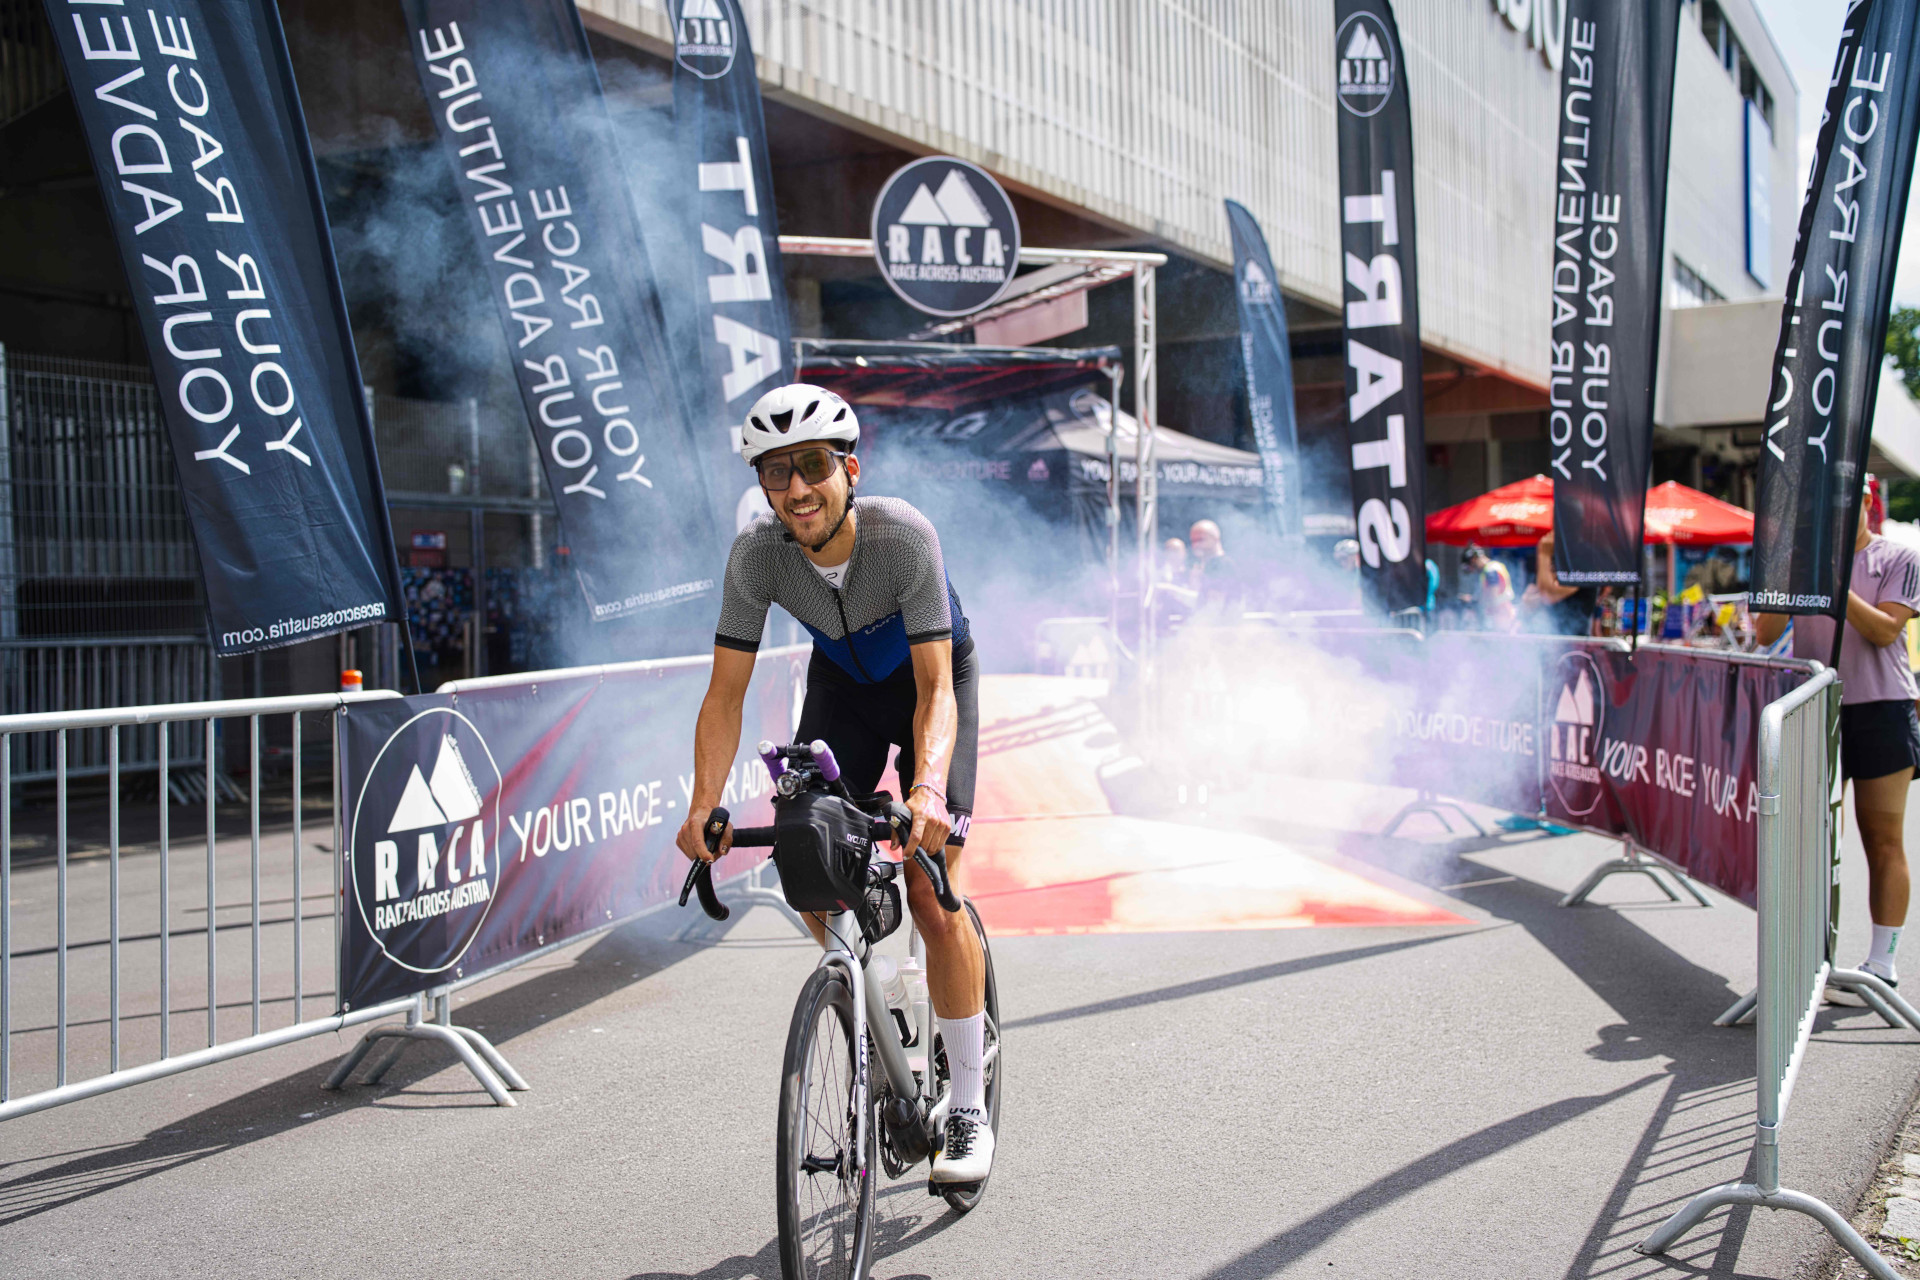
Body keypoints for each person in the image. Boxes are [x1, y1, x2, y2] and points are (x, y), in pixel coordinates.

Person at [675, 383, 994, 1181]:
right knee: (805, 857)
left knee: (931, 890)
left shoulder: (901, 535)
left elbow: (936, 691)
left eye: (813, 464)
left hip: (930, 682)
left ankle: (966, 1109)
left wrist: (927, 789)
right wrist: (703, 804)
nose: (796, 488)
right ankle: (873, 1000)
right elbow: (724, 695)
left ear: (849, 468)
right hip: (842, 689)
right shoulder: (757, 557)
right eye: (775, 472)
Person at [1755, 481, 1920, 1003]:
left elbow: (1885, 631)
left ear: (1868, 503)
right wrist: (1790, 570)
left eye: (1847, 502)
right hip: (1817, 707)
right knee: (1815, 841)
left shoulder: (1899, 557)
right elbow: (1765, 632)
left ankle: (1882, 966)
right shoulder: (1803, 558)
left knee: (1883, 839)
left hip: (1882, 707)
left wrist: (1833, 578)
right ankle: (1809, 960)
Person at [1524, 531, 1596, 636]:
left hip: (1573, 640)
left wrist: (1544, 553)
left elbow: (1547, 595)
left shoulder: (1584, 562)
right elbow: (1532, 597)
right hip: (1547, 637)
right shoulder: (1555, 559)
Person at [1188, 518, 1247, 619]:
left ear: (1215, 538)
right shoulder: (1207, 565)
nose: (1196, 545)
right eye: (1193, 541)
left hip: (1222, 625)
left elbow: (1214, 606)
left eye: (1201, 539)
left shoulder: (1223, 565)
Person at [1461, 543, 1516, 631]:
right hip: (1503, 612)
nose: (1473, 569)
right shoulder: (1493, 567)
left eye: (1470, 565)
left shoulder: (1490, 570)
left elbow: (1493, 595)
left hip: (1501, 613)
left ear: (1474, 559)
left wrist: (1473, 601)